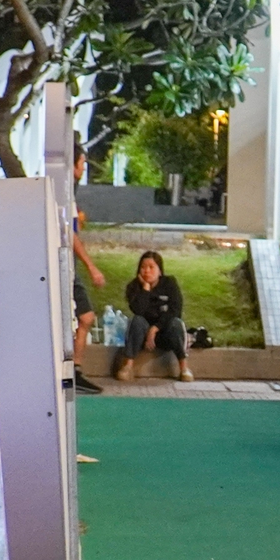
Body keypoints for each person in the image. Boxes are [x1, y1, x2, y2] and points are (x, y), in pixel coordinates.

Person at [115, 249, 189, 381]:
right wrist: (146, 288)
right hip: (143, 336)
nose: (147, 271)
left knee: (176, 323)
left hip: (164, 332)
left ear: (159, 270)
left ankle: (184, 368)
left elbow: (175, 310)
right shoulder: (133, 287)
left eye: (151, 267)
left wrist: (155, 328)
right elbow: (138, 310)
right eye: (143, 267)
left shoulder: (170, 284)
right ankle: (127, 366)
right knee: (137, 320)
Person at [70, 146, 105, 391]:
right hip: (66, 268)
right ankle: (72, 372)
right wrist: (92, 267)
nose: (84, 167)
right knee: (84, 317)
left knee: (86, 317)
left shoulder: (68, 194)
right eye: (82, 162)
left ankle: (75, 370)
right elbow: (69, 235)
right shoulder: (63, 193)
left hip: (69, 269)